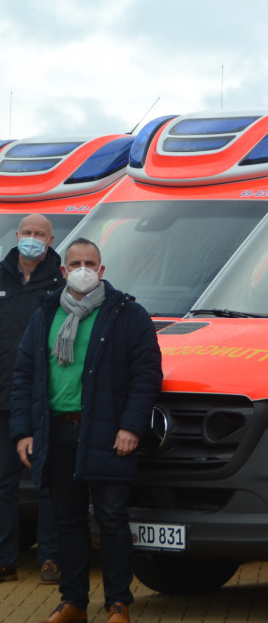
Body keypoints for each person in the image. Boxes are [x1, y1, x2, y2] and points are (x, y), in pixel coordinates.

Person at [10, 238, 162, 623]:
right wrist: (23, 432)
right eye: (75, 262)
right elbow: (25, 375)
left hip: (108, 435)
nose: (82, 268)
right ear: (63, 271)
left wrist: (131, 426)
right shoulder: (45, 314)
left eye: (90, 262)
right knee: (68, 521)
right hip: (55, 433)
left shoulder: (127, 314)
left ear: (102, 269)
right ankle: (74, 602)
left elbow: (147, 375)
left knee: (112, 518)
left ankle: (118, 604)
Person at [0, 214, 63, 586]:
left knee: (49, 483)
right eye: (27, 233)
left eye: (40, 234)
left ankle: (51, 557)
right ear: (17, 235)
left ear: (51, 239)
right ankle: (5, 559)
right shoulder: (1, 275)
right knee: (3, 483)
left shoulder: (62, 282)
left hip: (46, 401)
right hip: (3, 401)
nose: (32, 239)